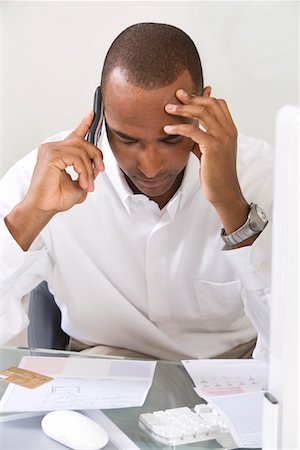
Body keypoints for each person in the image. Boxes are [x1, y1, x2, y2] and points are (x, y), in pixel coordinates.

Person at [0, 23, 272, 360]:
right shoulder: (45, 176)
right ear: (101, 112)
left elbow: (290, 343)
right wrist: (31, 214)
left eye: (171, 138)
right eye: (127, 140)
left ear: (204, 106)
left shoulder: (263, 173)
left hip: (229, 379)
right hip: (98, 375)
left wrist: (231, 204)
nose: (151, 167)